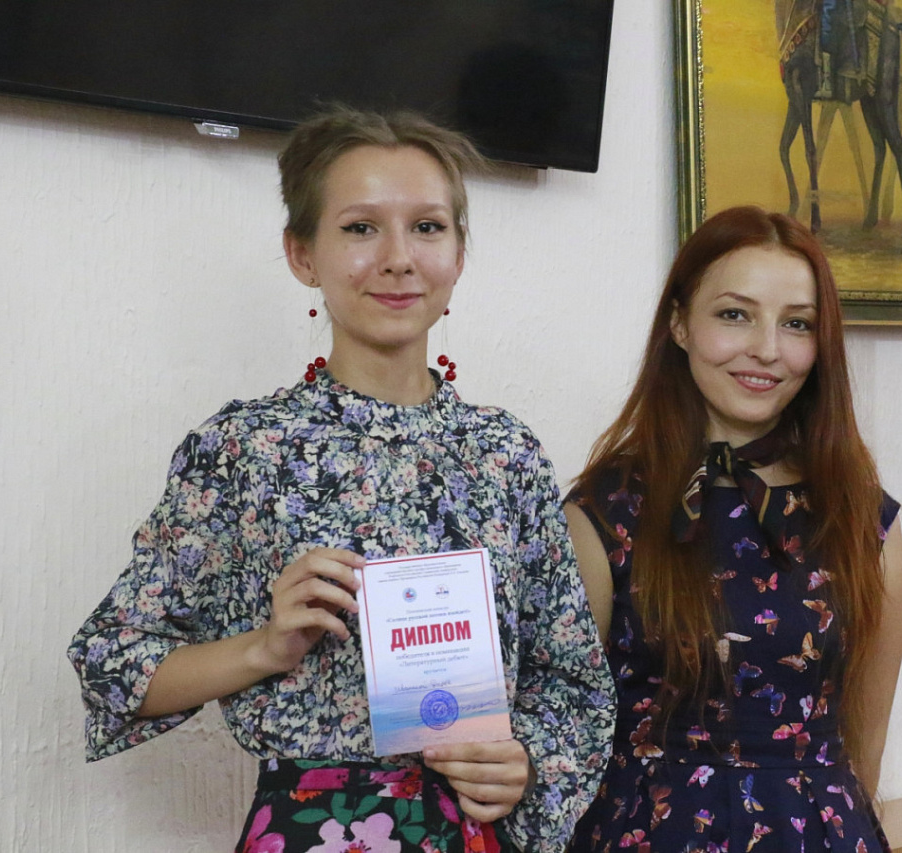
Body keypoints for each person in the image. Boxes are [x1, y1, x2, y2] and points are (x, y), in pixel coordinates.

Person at [68, 107, 614, 853]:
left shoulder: (505, 453)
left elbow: (574, 682)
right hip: (309, 830)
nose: (398, 258)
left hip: (470, 832)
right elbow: (112, 660)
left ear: (458, 255)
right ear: (303, 254)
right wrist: (264, 648)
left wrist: (524, 765)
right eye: (361, 228)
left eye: (427, 228)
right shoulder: (244, 449)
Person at [564, 206, 902, 853]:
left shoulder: (861, 520)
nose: (767, 349)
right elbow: (561, 734)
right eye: (734, 314)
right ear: (679, 324)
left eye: (797, 323)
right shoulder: (603, 513)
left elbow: (865, 748)